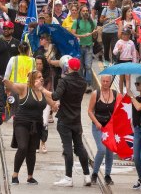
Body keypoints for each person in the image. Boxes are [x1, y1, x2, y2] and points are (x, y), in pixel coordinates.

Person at [40, 58, 92, 187]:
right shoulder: (83, 82)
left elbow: (55, 96)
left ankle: (68, 178)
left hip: (65, 119)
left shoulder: (64, 81)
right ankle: (87, 175)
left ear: (67, 67)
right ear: (79, 68)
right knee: (80, 147)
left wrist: (41, 89)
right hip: (76, 119)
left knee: (67, 147)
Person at [3, 70, 54, 185]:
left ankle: (30, 177)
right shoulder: (24, 88)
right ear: (32, 79)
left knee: (32, 151)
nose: (41, 79)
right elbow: (11, 85)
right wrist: (5, 80)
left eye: (42, 77)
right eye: (38, 77)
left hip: (37, 124)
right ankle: (15, 174)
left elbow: (53, 103)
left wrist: (56, 105)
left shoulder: (42, 91)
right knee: (22, 147)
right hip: (21, 122)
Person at [87, 74, 117, 185]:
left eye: (107, 81)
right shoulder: (96, 94)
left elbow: (119, 110)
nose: (105, 83)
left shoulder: (114, 94)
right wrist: (96, 122)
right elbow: (90, 111)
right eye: (103, 81)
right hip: (98, 126)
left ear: (110, 82)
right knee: (101, 149)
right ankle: (94, 173)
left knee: (110, 151)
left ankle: (107, 175)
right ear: (101, 81)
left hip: (110, 128)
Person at [71, 6, 96, 92]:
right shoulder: (76, 22)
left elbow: (94, 33)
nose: (85, 12)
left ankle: (88, 84)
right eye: (84, 11)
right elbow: (73, 34)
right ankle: (82, 84)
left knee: (88, 66)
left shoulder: (92, 22)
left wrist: (95, 33)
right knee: (80, 67)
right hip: (79, 47)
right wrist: (83, 36)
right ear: (80, 12)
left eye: (87, 11)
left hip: (89, 47)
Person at [100, 0, 121, 67]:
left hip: (115, 31)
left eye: (113, 2)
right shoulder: (105, 9)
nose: (112, 3)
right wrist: (106, 18)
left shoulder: (118, 10)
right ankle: (106, 61)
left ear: (116, 3)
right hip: (106, 31)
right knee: (106, 48)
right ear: (108, 3)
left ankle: (114, 62)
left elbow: (121, 20)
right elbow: (101, 20)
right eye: (111, 2)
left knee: (114, 47)